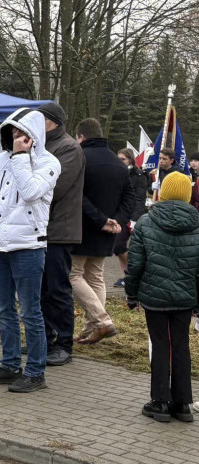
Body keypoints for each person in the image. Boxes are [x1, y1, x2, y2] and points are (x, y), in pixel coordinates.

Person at [0, 108, 61, 393]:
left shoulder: (49, 162)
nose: (17, 137)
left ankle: (36, 372)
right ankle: (10, 364)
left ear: (35, 135)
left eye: (23, 133)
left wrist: (21, 158)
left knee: (30, 312)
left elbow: (30, 192)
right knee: (2, 308)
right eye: (12, 132)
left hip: (28, 246)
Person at [124, 170, 197, 423]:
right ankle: (183, 404)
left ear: (162, 192)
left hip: (154, 297)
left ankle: (160, 402)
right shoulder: (197, 223)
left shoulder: (146, 221)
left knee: (160, 346)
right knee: (181, 346)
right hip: (186, 298)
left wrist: (131, 294)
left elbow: (134, 264)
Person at [70, 118, 135, 344]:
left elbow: (76, 194)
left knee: (73, 274)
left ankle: (102, 320)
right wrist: (117, 221)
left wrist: (101, 220)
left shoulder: (80, 158)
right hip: (107, 231)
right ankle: (92, 328)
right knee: (95, 276)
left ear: (81, 137)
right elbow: (130, 197)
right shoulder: (118, 163)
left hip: (82, 227)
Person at [36, 101, 84, 367]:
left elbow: (53, 187)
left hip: (59, 230)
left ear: (52, 121)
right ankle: (43, 338)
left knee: (57, 289)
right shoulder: (41, 146)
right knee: (40, 289)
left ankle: (64, 343)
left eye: (39, 119)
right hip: (40, 230)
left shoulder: (68, 148)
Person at [114, 148, 149, 288]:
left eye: (123, 159)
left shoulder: (138, 175)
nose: (119, 161)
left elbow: (139, 198)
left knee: (126, 246)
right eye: (118, 158)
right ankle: (126, 275)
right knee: (118, 247)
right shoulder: (117, 172)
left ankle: (136, 274)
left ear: (130, 160)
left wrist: (136, 219)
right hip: (120, 215)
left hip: (132, 216)